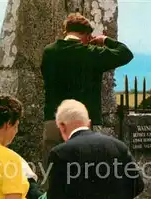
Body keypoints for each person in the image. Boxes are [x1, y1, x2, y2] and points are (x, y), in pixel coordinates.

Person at [41, 12, 134, 172]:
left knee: (51, 172)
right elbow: (125, 54)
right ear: (86, 34)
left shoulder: (49, 52)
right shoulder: (91, 53)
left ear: (66, 31)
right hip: (81, 124)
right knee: (81, 174)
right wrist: (105, 40)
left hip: (54, 121)